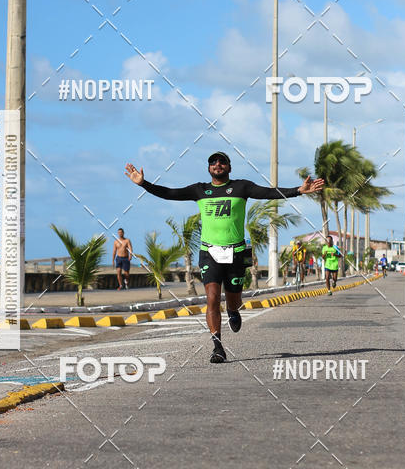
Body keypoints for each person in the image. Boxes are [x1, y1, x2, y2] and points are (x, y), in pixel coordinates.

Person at [125, 152, 324, 364]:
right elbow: (169, 193)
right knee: (211, 297)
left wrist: (298, 191)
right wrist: (143, 183)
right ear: (208, 168)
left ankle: (232, 310)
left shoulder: (241, 187)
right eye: (213, 162)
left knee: (234, 300)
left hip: (236, 252)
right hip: (209, 252)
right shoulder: (199, 190)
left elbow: (269, 193)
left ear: (229, 167)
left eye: (222, 162)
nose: (217, 164)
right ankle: (217, 346)